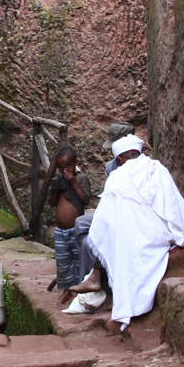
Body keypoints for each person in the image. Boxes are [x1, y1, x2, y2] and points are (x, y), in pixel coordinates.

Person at [76, 136, 184, 340]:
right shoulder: (157, 168)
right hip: (160, 234)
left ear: (121, 158)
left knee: (120, 244)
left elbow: (105, 221)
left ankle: (105, 287)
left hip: (135, 237)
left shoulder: (117, 177)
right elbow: (173, 206)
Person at [72, 121, 137, 292]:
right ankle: (88, 272)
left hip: (128, 214)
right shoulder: (111, 166)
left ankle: (93, 279)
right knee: (80, 224)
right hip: (111, 210)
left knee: (88, 242)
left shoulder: (143, 166)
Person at [48, 144, 90, 302]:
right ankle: (66, 290)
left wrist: (73, 183)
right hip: (60, 231)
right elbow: (52, 203)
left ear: (76, 163)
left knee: (79, 260)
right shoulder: (58, 181)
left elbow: (85, 199)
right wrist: (55, 190)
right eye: (61, 168)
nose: (65, 171)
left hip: (76, 229)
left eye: (68, 166)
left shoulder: (81, 179)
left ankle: (79, 289)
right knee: (63, 262)